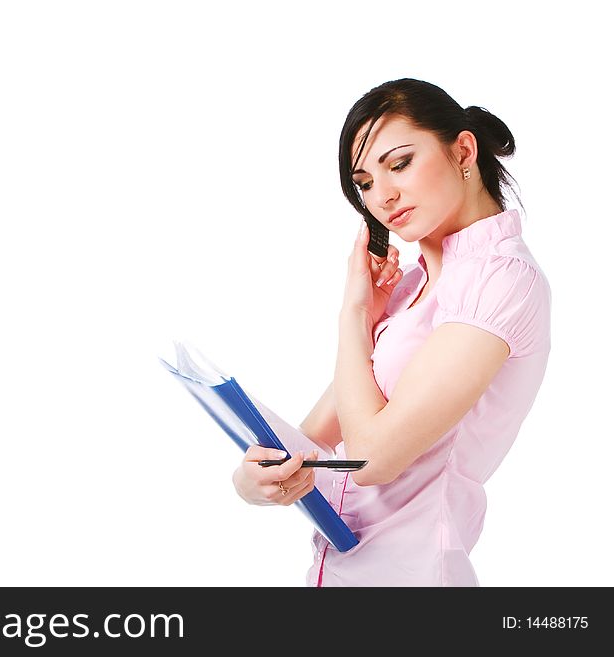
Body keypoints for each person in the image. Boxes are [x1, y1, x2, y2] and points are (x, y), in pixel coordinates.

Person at [231, 78, 552, 586]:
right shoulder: (410, 290)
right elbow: (310, 444)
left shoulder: (500, 278)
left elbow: (371, 459)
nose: (382, 196)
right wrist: (253, 481)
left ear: (462, 150)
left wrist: (354, 315)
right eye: (363, 183)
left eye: (399, 163)